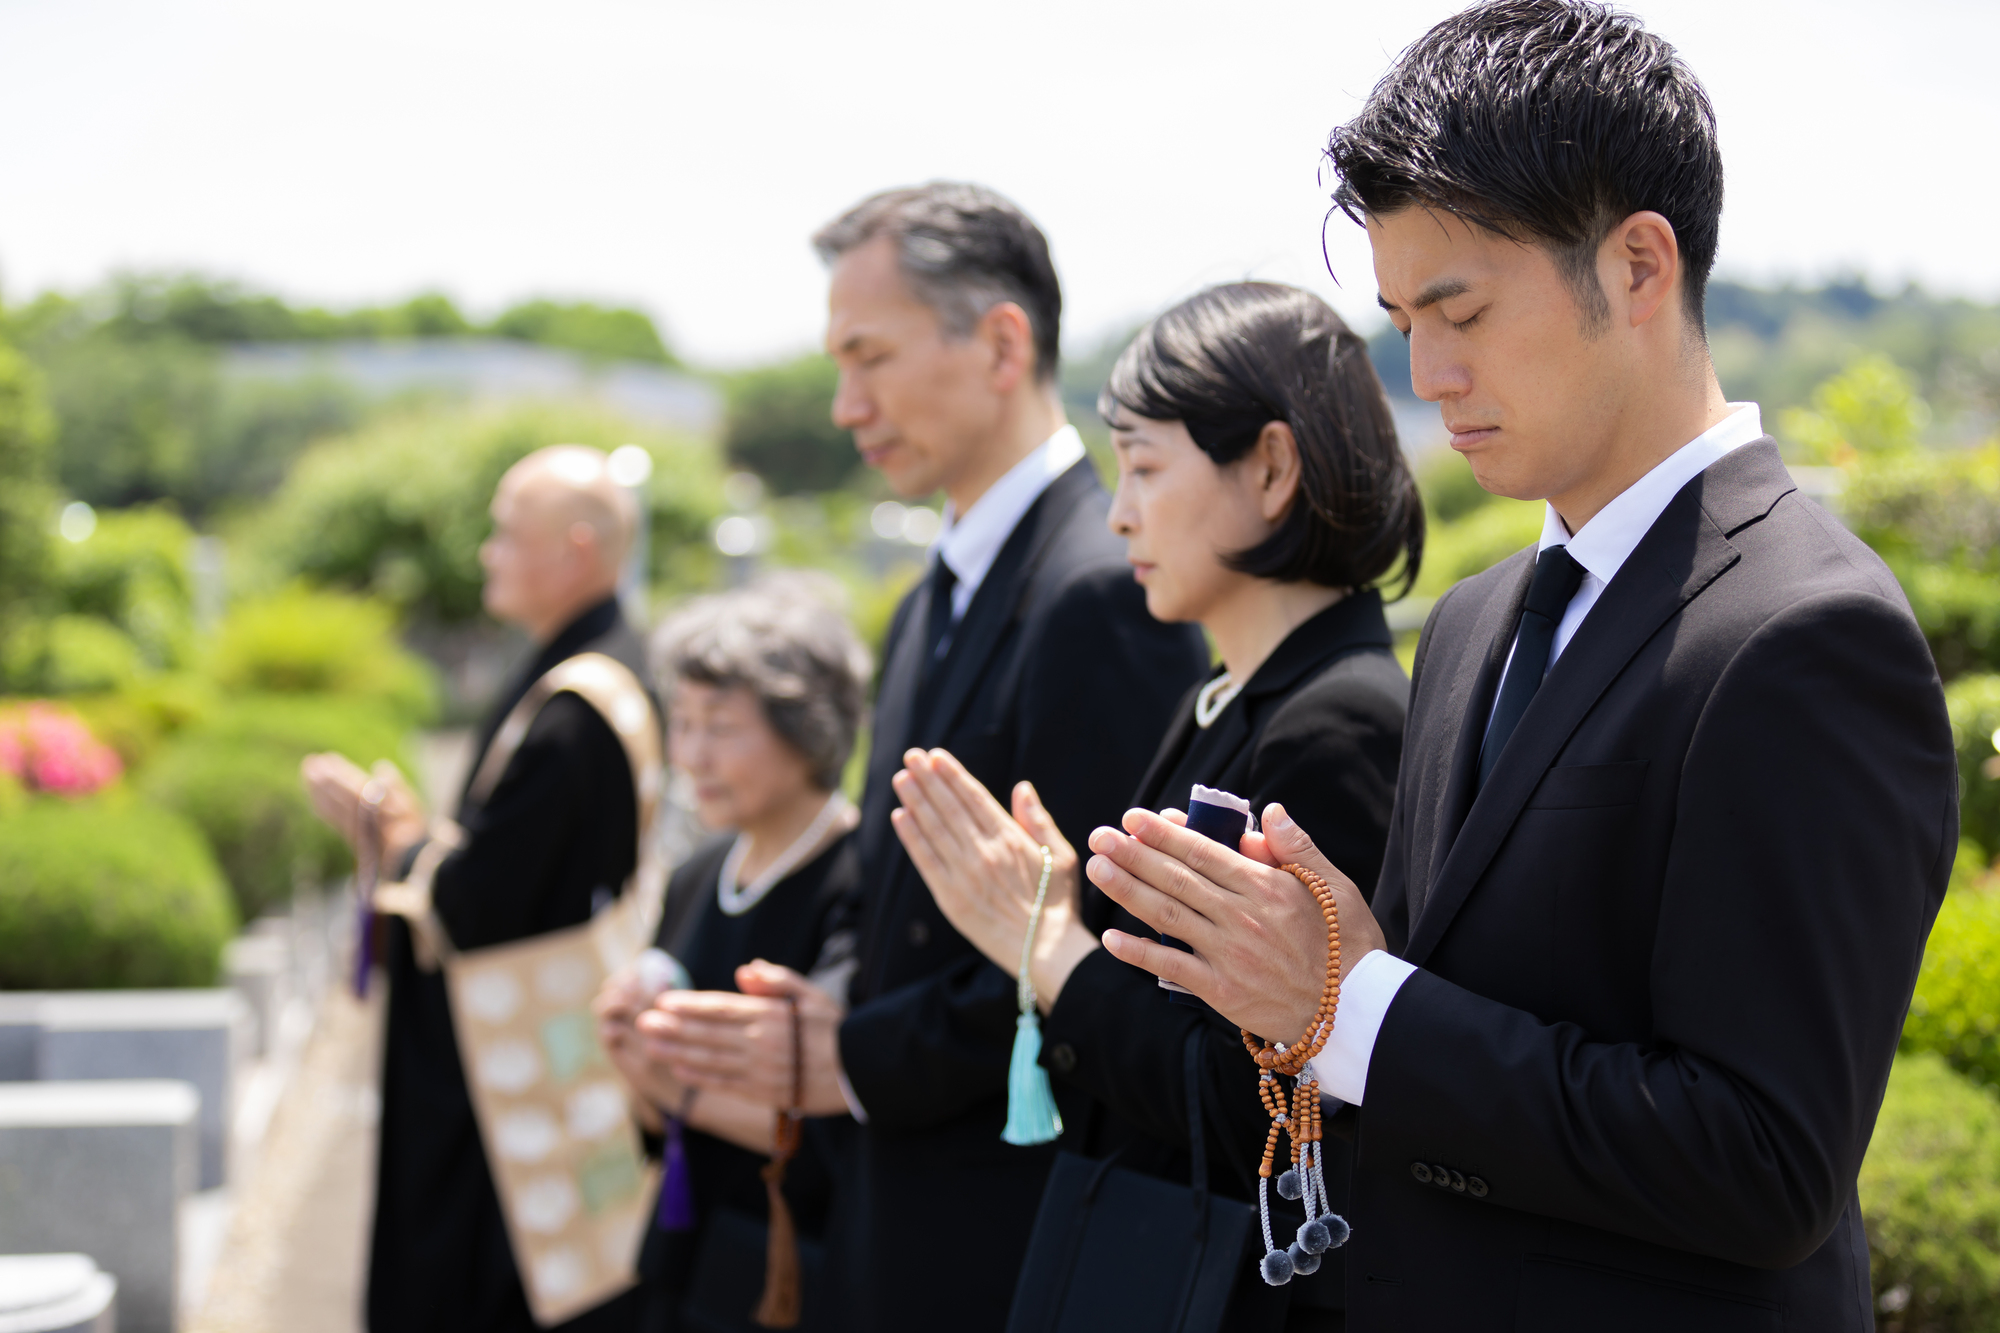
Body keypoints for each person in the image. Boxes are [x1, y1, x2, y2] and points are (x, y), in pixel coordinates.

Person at [1080, 4, 1961, 1330]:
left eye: (1463, 309)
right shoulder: (1478, 619)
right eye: (1400, 317)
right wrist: (1324, 976)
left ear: (1641, 266)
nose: (1427, 372)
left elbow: (1763, 1165)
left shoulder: (1806, 634)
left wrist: (1351, 1005)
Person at [635, 182, 1211, 1331]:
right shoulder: (922, 602)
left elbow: (1087, 946)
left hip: (1002, 1221)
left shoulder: (1100, 590)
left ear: (1001, 342)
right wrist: (816, 1005)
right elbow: (883, 890)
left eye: (870, 357)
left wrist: (843, 1054)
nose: (846, 405)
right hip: (893, 1201)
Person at [889, 281, 1422, 1330]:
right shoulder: (1223, 692)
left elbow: (1268, 1103)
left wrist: (1048, 949)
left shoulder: (1339, 721)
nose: (1118, 509)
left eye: (1140, 466)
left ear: (1269, 467)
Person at [303, 444, 651, 1333]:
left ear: (575, 549)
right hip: (537, 1049)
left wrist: (398, 839)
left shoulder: (577, 706)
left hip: (509, 1071)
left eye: (506, 534)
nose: (487, 553)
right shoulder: (593, 666)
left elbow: (475, 905)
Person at [594, 576, 870, 1333]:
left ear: (807, 726)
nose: (691, 755)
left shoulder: (860, 880)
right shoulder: (697, 872)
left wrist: (671, 1083)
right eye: (681, 723)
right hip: (684, 1237)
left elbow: (833, 1112)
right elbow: (654, 1105)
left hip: (789, 1261)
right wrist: (630, 1044)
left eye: (720, 726)